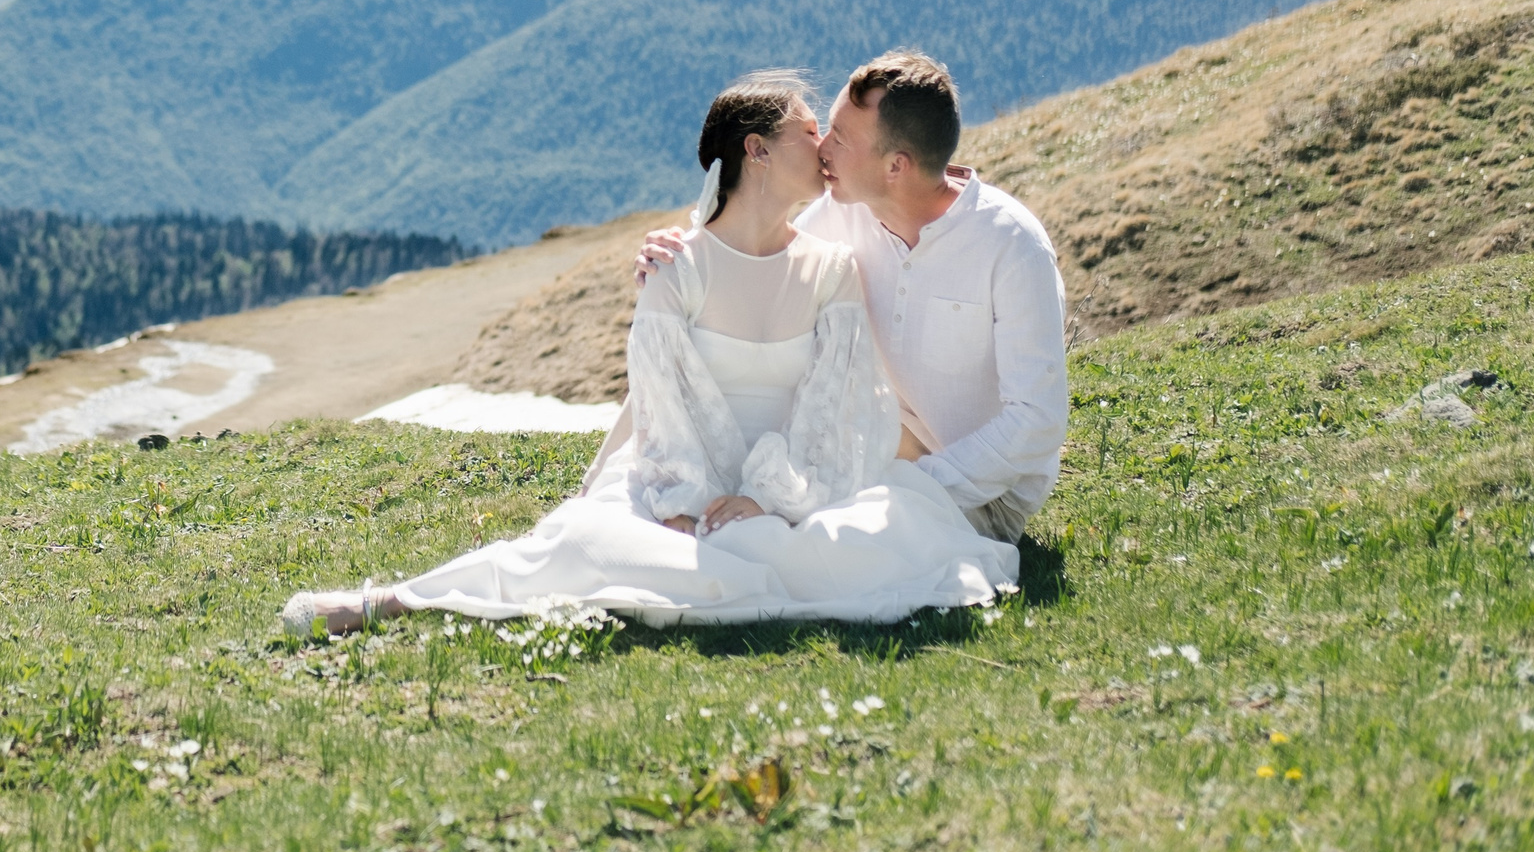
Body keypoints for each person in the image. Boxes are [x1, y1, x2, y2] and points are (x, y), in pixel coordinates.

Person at [280, 71, 1016, 637]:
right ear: (756, 151)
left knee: (844, 548)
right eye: (806, 130)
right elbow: (662, 407)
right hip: (683, 485)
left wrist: (768, 495)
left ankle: (738, 535)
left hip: (792, 486)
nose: (824, 147)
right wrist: (685, 505)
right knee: (581, 543)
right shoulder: (679, 267)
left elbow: (835, 405)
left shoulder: (830, 269)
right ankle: (391, 599)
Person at [650, 51, 1067, 545]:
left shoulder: (1011, 244)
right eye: (827, 129)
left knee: (812, 541)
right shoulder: (845, 213)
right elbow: (758, 259)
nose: (822, 148)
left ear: (896, 165)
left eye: (841, 139)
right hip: (876, 451)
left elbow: (1035, 420)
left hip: (981, 493)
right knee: (760, 518)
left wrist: (912, 488)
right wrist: (677, 256)